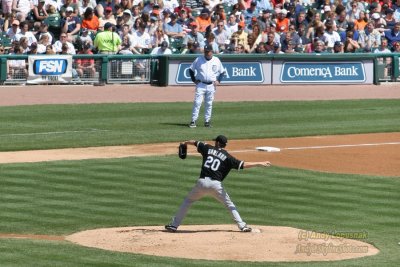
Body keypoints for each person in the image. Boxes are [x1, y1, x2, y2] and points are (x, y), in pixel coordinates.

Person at [164, 135, 271, 233]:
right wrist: (259, 163)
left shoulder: (207, 148)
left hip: (201, 183)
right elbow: (243, 164)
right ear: (224, 145)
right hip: (216, 185)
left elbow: (195, 142)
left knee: (188, 201)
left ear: (217, 143)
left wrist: (185, 142)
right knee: (229, 205)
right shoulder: (228, 157)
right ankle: (242, 226)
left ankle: (174, 225)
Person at [188, 44, 225, 128]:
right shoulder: (198, 59)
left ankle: (207, 121)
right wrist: (194, 80)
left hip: (211, 85)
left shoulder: (216, 60)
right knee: (197, 103)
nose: (207, 53)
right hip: (201, 84)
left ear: (212, 51)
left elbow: (222, 72)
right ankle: (193, 121)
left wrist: (219, 80)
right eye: (206, 52)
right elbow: (190, 69)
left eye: (208, 51)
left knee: (209, 104)